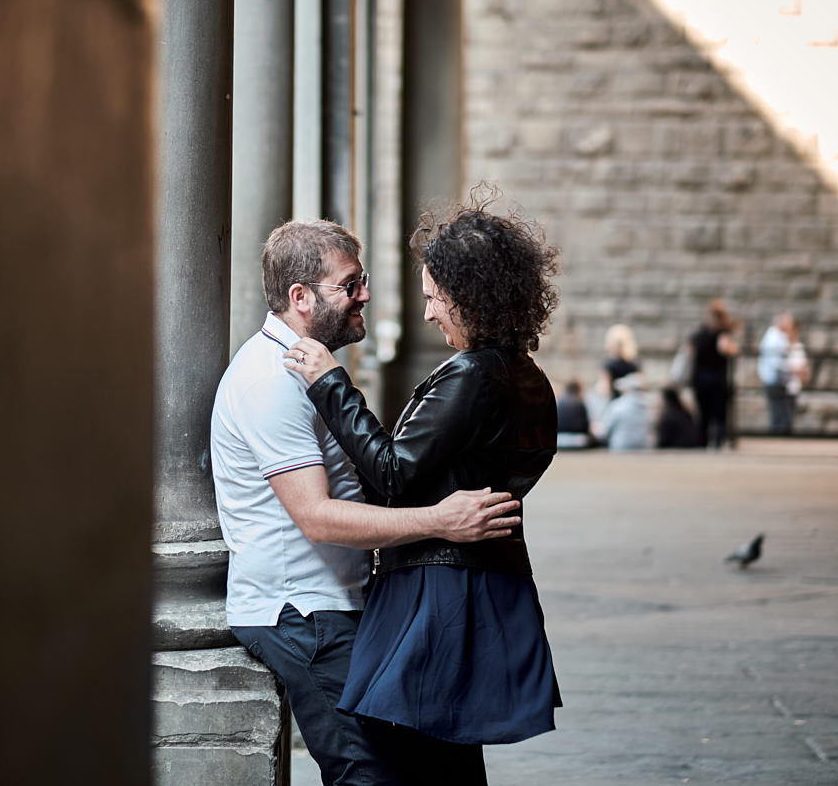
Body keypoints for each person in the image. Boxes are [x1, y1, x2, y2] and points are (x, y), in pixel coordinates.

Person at [210, 219, 521, 786]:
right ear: (300, 297)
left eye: (363, 279)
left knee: (435, 758)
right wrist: (442, 521)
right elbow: (317, 517)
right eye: (350, 284)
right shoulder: (270, 381)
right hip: (302, 612)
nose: (366, 295)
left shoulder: (310, 365)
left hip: (342, 603)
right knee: (369, 774)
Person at [284, 196, 563, 786]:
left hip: (437, 587)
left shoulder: (473, 374)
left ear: (470, 296)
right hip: (483, 580)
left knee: (420, 758)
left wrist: (331, 384)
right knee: (450, 758)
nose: (431, 314)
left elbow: (390, 476)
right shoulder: (530, 377)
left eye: (435, 297)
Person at [686, 299, 740, 449]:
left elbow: (688, 349)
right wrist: (735, 348)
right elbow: (725, 348)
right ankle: (717, 443)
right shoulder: (722, 332)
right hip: (716, 379)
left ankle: (702, 443)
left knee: (704, 414)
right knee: (719, 414)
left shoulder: (700, 331)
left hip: (699, 378)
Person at [756, 312, 794, 434]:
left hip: (774, 378)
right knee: (780, 414)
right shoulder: (775, 337)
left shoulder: (774, 336)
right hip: (775, 379)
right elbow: (776, 361)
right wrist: (790, 369)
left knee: (778, 411)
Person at [596, 372, 651, 451]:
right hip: (642, 450)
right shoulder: (646, 407)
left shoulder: (617, 406)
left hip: (620, 450)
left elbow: (604, 431)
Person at [599, 323, 640, 399]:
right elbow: (640, 384)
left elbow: (605, 389)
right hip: (631, 403)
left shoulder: (609, 364)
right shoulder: (634, 362)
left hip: (615, 404)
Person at [556, 378, 592, 449]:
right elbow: (585, 426)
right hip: (578, 439)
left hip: (559, 438)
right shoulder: (580, 402)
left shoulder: (560, 402)